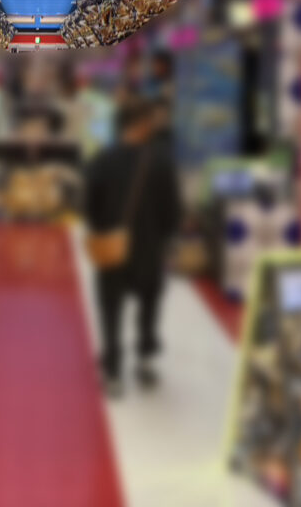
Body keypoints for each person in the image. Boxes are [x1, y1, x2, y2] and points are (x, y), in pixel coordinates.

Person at [84, 97, 181, 396]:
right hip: (149, 250)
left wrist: (102, 229)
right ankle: (145, 360)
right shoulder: (161, 162)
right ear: (141, 124)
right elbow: (173, 211)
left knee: (110, 307)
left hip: (113, 247)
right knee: (149, 304)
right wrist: (165, 237)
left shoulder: (102, 159)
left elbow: (88, 205)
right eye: (150, 120)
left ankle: (112, 371)